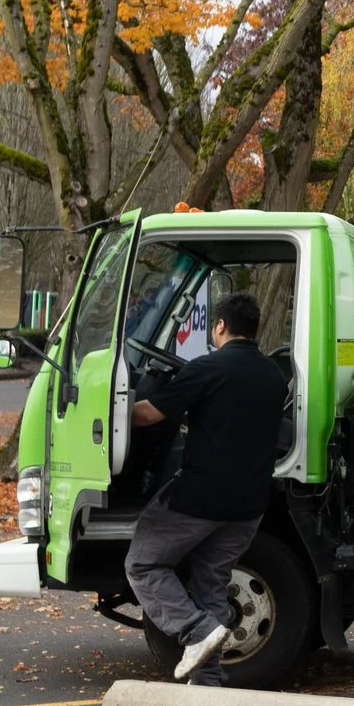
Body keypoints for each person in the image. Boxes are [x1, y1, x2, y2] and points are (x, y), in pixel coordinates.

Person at [124, 290, 289, 685]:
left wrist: (105, 411)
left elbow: (149, 415)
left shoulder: (208, 368)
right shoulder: (274, 375)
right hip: (250, 506)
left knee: (142, 563)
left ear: (219, 326)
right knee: (212, 584)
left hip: (200, 498)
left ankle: (195, 631)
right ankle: (208, 682)